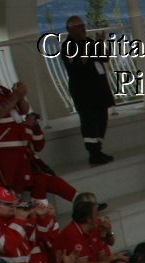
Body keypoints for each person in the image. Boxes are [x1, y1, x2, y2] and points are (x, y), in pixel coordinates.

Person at [60, 16, 115, 165]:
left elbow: (105, 58)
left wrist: (100, 43)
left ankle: (99, 148)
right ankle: (93, 152)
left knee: (101, 118)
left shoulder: (90, 42)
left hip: (99, 87)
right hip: (83, 90)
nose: (83, 28)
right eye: (78, 26)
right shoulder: (68, 46)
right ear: (70, 30)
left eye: (83, 25)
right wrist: (89, 46)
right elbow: (80, 62)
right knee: (89, 120)